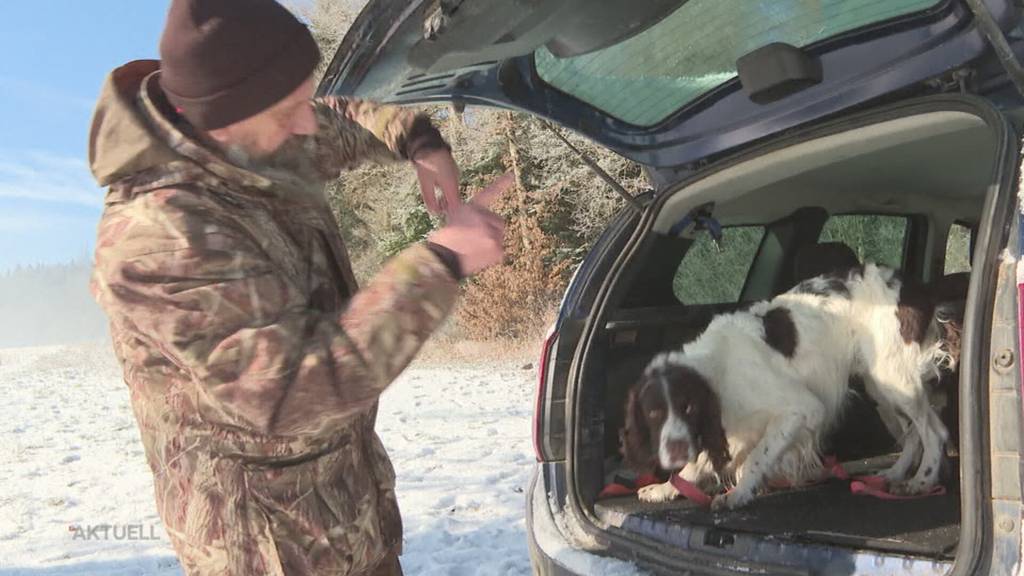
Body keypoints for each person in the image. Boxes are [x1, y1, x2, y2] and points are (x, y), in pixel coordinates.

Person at [87, 0, 507, 574]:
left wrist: (419, 140)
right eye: (288, 111)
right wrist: (438, 263)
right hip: (267, 549)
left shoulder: (256, 130)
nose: (306, 124)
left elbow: (340, 119)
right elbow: (288, 394)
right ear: (219, 117)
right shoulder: (160, 238)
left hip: (347, 513)